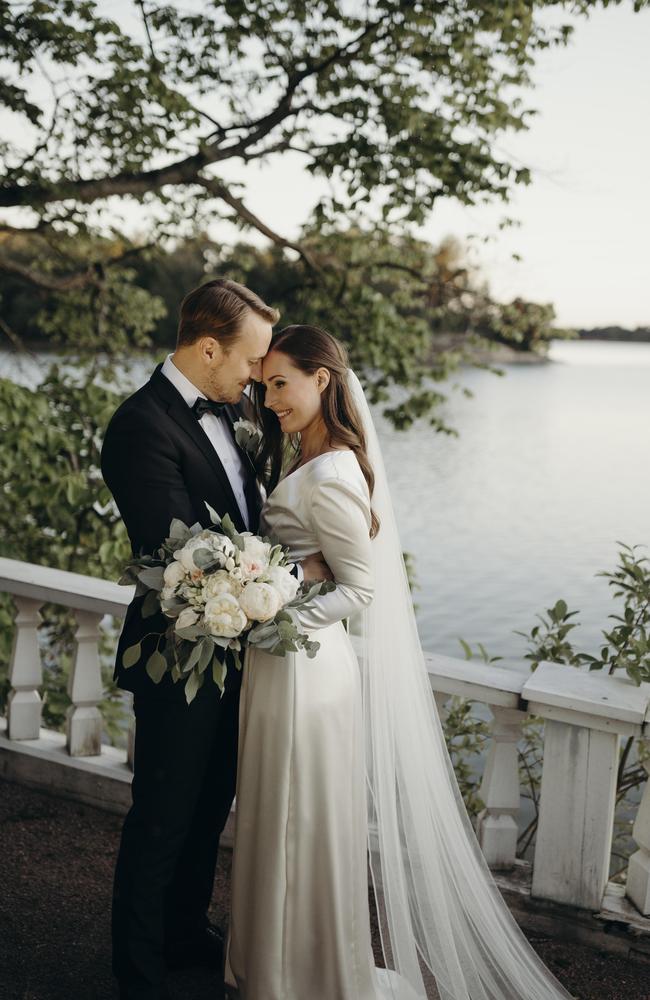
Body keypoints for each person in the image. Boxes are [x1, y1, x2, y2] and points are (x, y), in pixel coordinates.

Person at [224, 325, 575, 1000]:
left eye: (280, 384)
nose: (269, 400)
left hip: (304, 669)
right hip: (281, 665)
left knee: (302, 821)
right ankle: (277, 965)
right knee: (279, 816)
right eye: (263, 385)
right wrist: (275, 580)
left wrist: (268, 604)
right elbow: (306, 563)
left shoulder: (329, 472)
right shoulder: (306, 454)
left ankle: (305, 976)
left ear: (320, 379)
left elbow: (359, 590)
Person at [101, 280, 329, 1000]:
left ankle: (181, 930)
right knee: (163, 819)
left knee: (208, 810)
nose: (259, 377)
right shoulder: (140, 426)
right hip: (177, 658)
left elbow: (246, 520)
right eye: (253, 360)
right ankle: (138, 972)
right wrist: (297, 572)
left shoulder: (232, 415)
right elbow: (185, 557)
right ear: (208, 349)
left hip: (236, 653)